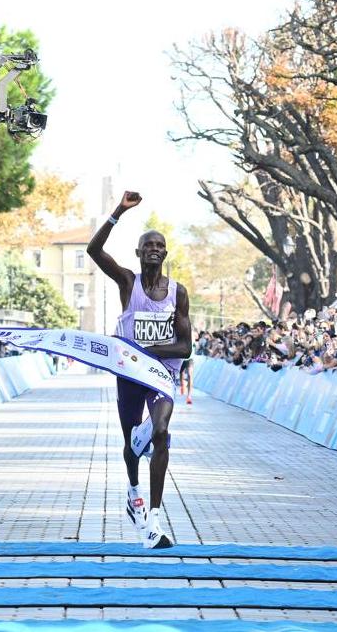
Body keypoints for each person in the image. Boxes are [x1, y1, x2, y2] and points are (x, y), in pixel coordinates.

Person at [87, 191, 192, 549]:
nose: (154, 248)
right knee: (131, 443)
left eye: (159, 245)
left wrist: (147, 351)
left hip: (160, 374)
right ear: (138, 253)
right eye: (147, 244)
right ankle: (133, 493)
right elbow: (94, 251)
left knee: (160, 432)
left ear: (165, 253)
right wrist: (118, 211)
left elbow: (185, 346)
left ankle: (155, 518)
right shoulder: (128, 283)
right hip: (129, 375)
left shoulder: (177, 293)